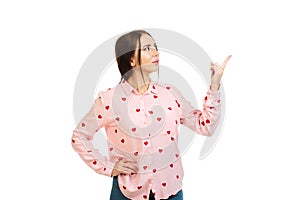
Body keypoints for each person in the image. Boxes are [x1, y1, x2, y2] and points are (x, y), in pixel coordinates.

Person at [71, 30, 231, 200]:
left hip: (171, 191)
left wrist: (214, 86)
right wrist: (108, 167)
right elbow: (79, 136)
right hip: (127, 193)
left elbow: (205, 125)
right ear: (131, 59)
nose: (156, 52)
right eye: (147, 48)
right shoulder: (109, 100)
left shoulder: (170, 94)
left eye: (155, 47)